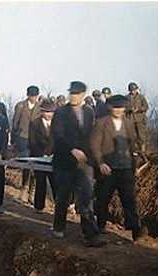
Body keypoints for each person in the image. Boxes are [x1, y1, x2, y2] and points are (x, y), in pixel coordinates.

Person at [51, 81, 105, 247]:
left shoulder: (89, 112)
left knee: (86, 197)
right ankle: (59, 227)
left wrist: (95, 157)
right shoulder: (61, 112)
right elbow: (58, 136)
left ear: (82, 95)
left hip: (84, 162)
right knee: (63, 197)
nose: (73, 97)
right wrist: (71, 149)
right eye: (71, 93)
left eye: (77, 94)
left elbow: (92, 136)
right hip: (64, 161)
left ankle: (90, 235)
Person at [90, 94, 148, 241]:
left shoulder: (128, 123)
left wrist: (134, 165)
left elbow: (132, 145)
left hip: (125, 168)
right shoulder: (101, 123)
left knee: (129, 199)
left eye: (121, 108)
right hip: (107, 169)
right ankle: (100, 225)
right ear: (110, 108)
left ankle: (135, 230)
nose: (118, 110)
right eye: (115, 107)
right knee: (103, 198)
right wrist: (101, 163)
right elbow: (95, 145)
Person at [12, 85, 42, 202]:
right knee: (26, 164)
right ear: (28, 95)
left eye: (35, 96)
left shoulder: (40, 107)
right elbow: (15, 123)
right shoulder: (20, 106)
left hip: (36, 140)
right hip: (23, 138)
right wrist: (14, 140)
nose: (33, 98)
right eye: (31, 96)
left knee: (35, 165)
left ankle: (32, 192)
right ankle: (23, 190)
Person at [29, 100, 56, 214]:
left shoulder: (57, 124)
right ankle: (39, 206)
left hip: (54, 158)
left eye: (51, 112)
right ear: (42, 112)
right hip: (39, 157)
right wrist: (42, 154)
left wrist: (53, 153)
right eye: (47, 112)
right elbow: (32, 142)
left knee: (55, 182)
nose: (49, 114)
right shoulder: (35, 123)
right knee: (40, 181)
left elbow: (59, 140)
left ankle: (59, 206)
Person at [126, 82, 149, 152]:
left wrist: (138, 109)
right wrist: (130, 109)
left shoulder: (141, 97)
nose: (133, 91)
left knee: (141, 136)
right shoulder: (126, 98)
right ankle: (134, 150)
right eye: (132, 90)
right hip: (130, 119)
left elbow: (146, 107)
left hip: (140, 119)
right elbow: (124, 108)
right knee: (132, 136)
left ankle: (143, 150)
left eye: (134, 90)